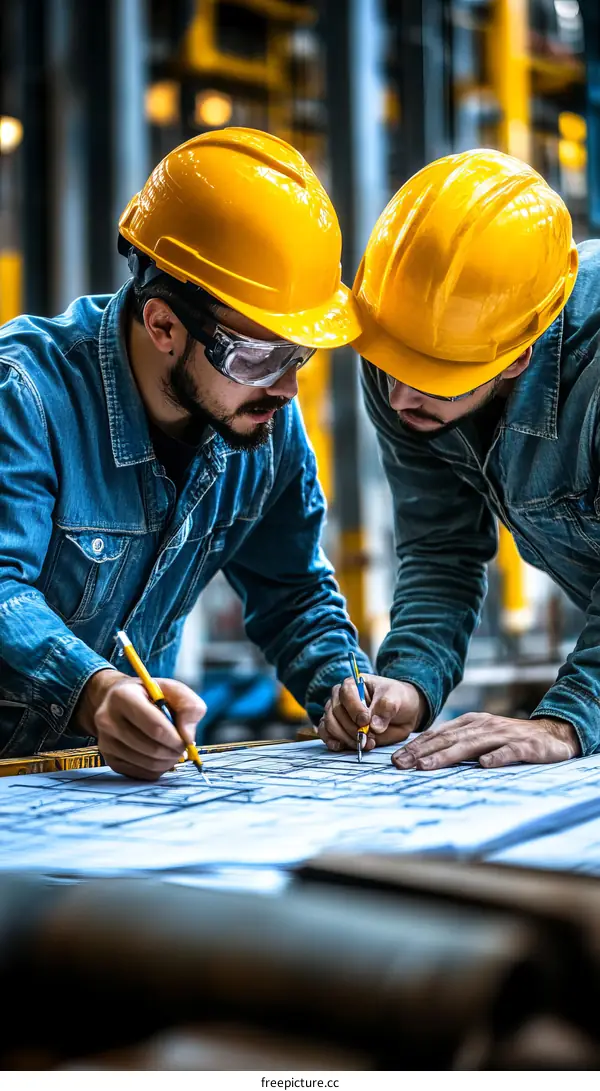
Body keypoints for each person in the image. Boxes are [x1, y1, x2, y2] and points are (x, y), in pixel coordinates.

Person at [0, 126, 370, 779]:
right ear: (163, 324)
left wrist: (348, 693)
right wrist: (96, 691)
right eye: (259, 354)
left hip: (100, 794)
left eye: (301, 354)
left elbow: (292, 590)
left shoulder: (261, 423)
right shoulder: (26, 396)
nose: (285, 387)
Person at [320, 148, 596, 771]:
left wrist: (567, 720)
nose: (398, 399)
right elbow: (442, 548)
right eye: (390, 366)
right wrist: (408, 684)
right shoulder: (402, 339)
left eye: (434, 378)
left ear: (519, 354)